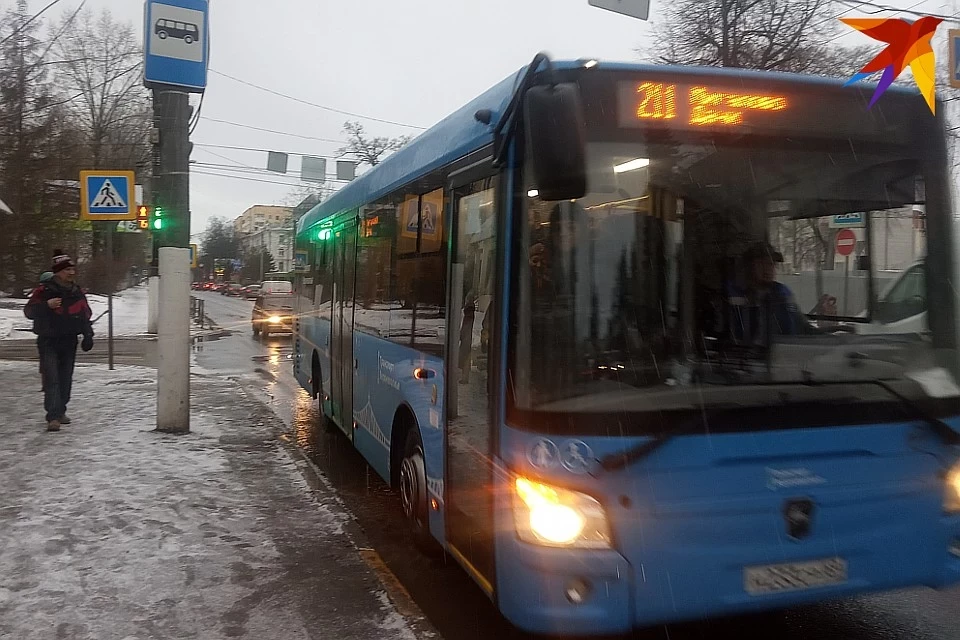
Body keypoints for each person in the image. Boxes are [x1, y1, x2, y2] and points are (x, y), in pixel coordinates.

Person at [23, 251, 94, 432]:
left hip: (69, 340)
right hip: (48, 340)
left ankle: (60, 409)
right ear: (57, 272)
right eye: (67, 270)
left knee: (65, 378)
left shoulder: (76, 292)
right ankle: (53, 416)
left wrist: (88, 335)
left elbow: (85, 314)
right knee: (52, 378)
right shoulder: (44, 291)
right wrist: (46, 306)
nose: (71, 273)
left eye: (72, 269)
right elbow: (29, 311)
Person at [725, 241, 820, 346]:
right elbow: (731, 339)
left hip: (785, 357)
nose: (767, 269)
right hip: (749, 360)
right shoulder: (735, 296)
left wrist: (832, 339)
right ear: (749, 267)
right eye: (761, 264)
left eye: (771, 264)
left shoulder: (782, 294)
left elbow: (803, 328)